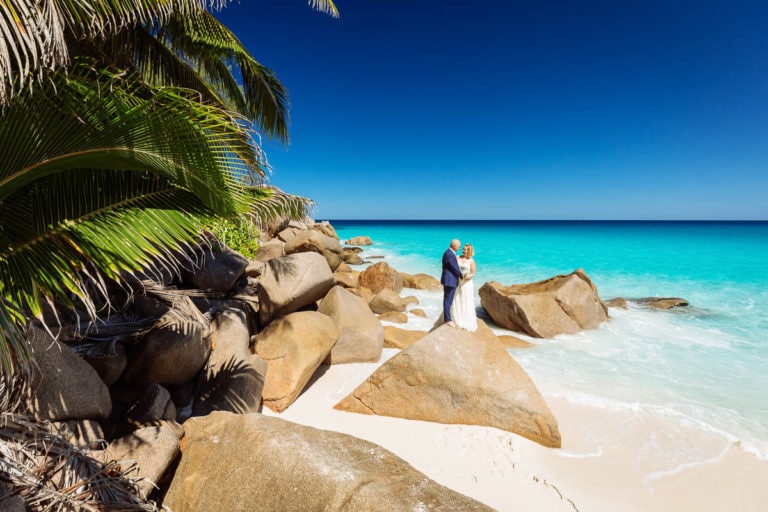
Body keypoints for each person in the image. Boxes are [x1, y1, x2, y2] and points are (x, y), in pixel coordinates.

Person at [450, 243, 478, 331]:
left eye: (465, 249)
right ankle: (455, 318)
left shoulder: (471, 261)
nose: (463, 250)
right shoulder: (458, 257)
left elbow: (473, 273)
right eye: (463, 249)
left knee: (465, 300)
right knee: (456, 298)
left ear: (469, 251)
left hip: (466, 283)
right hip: (457, 281)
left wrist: (467, 277)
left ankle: (465, 320)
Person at [440, 239, 462, 327]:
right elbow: (454, 268)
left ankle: (447, 318)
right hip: (450, 280)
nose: (459, 248)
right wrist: (461, 275)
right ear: (455, 245)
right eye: (459, 246)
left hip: (448, 279)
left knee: (447, 299)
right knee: (448, 300)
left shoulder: (448, 252)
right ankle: (448, 320)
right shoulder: (449, 254)